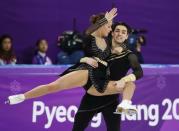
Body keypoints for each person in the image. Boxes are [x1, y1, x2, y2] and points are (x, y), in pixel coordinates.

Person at [7, 8, 136, 113]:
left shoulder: (110, 41)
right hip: (87, 74)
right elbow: (89, 31)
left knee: (129, 84)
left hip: (101, 82)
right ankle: (22, 97)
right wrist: (103, 22)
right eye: (109, 26)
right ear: (101, 26)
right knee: (52, 86)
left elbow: (120, 45)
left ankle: (125, 104)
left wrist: (118, 50)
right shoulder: (91, 37)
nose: (111, 29)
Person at [72, 22, 143, 131]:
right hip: (93, 96)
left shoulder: (129, 55)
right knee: (77, 128)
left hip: (111, 98)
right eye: (117, 31)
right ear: (112, 33)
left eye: (123, 32)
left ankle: (126, 103)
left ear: (127, 36)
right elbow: (87, 39)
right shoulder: (101, 48)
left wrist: (123, 80)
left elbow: (139, 72)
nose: (120, 34)